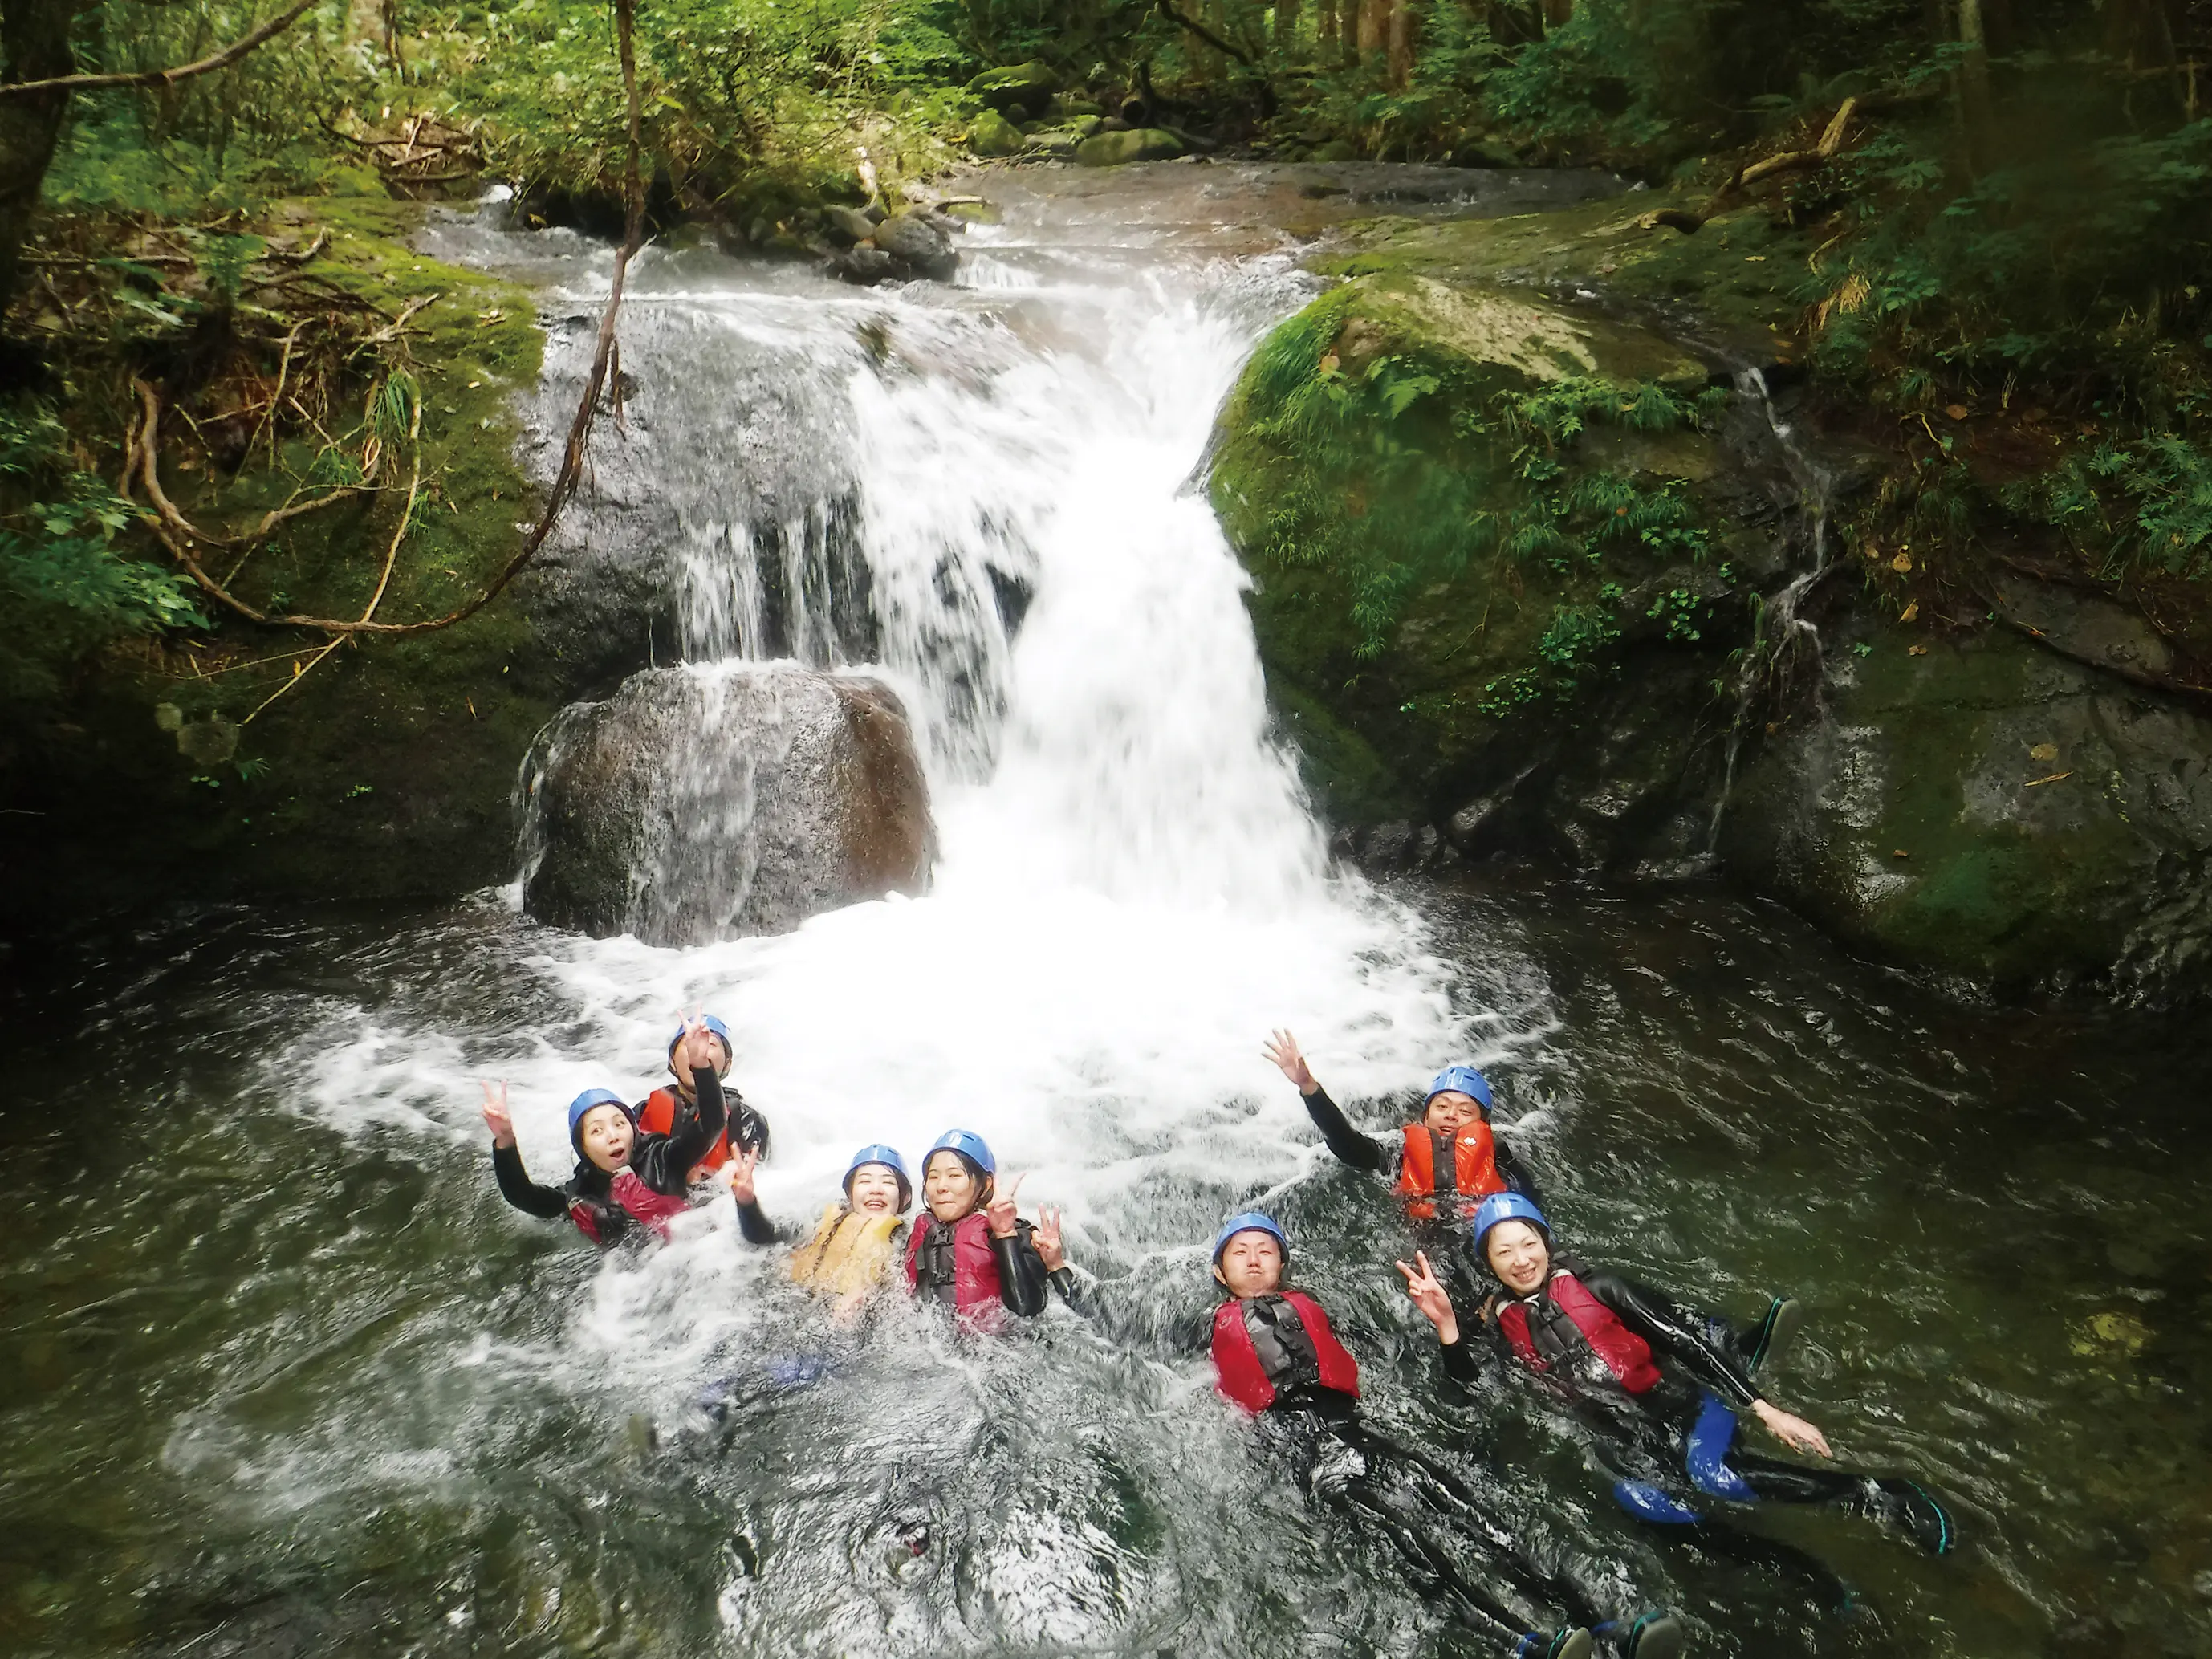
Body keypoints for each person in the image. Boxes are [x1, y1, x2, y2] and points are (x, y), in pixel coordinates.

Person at [1201, 1213, 1683, 1659]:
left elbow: (1373, 1349)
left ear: (1282, 1263)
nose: (1253, 1258)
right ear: (1222, 1274)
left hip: (1353, 1429)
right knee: (1406, 1537)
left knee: (1473, 1515)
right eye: (1240, 1252)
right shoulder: (1205, 1325)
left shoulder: (1310, 1305)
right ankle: (1523, 1644)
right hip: (1298, 1444)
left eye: (1264, 1249)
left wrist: (1442, 1322)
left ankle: (1602, 1629)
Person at [1400, 1194, 1954, 1557]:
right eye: (1505, 1250)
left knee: (1714, 1475)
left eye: (1529, 1243)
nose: (1522, 1258)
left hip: (1680, 1409)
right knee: (1657, 1514)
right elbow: (1467, 1390)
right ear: (1489, 1261)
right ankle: (1797, 1568)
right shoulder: (1496, 1324)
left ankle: (1879, 1492)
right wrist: (1447, 1323)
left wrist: (1763, 1407)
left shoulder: (1602, 1287)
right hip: (1619, 1436)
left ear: (1546, 1242)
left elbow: (1683, 1342)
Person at [480, 1018, 729, 1246]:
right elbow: (523, 1196)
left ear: (634, 1130)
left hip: (698, 1249)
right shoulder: (580, 1193)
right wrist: (505, 1141)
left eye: (620, 1124)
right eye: (597, 1131)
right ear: (583, 1146)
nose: (613, 1135)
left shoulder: (664, 1158)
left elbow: (712, 1124)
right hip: (635, 1279)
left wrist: (701, 1067)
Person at [1263, 1031, 1543, 1226]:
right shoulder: (1398, 1151)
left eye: (1465, 1111)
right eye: (1442, 1107)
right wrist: (1309, 1087)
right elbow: (1347, 1145)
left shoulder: (1499, 1157)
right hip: (1425, 1237)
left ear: (1483, 1124)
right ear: (1426, 1116)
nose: (1452, 1115)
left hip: (1480, 1231)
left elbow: (1530, 1207)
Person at [905, 1130, 1050, 1328]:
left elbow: (1027, 1310)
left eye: (955, 1175)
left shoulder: (1014, 1232)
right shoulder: (916, 1231)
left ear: (985, 1184)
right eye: (933, 1177)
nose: (941, 1186)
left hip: (993, 1348)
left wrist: (1005, 1234)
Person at [632, 1013, 769, 1184]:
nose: (697, 1051)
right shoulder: (641, 1113)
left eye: (711, 1044)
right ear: (672, 1061)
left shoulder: (746, 1120)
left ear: (727, 1064)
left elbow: (763, 1184)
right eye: (688, 1045)